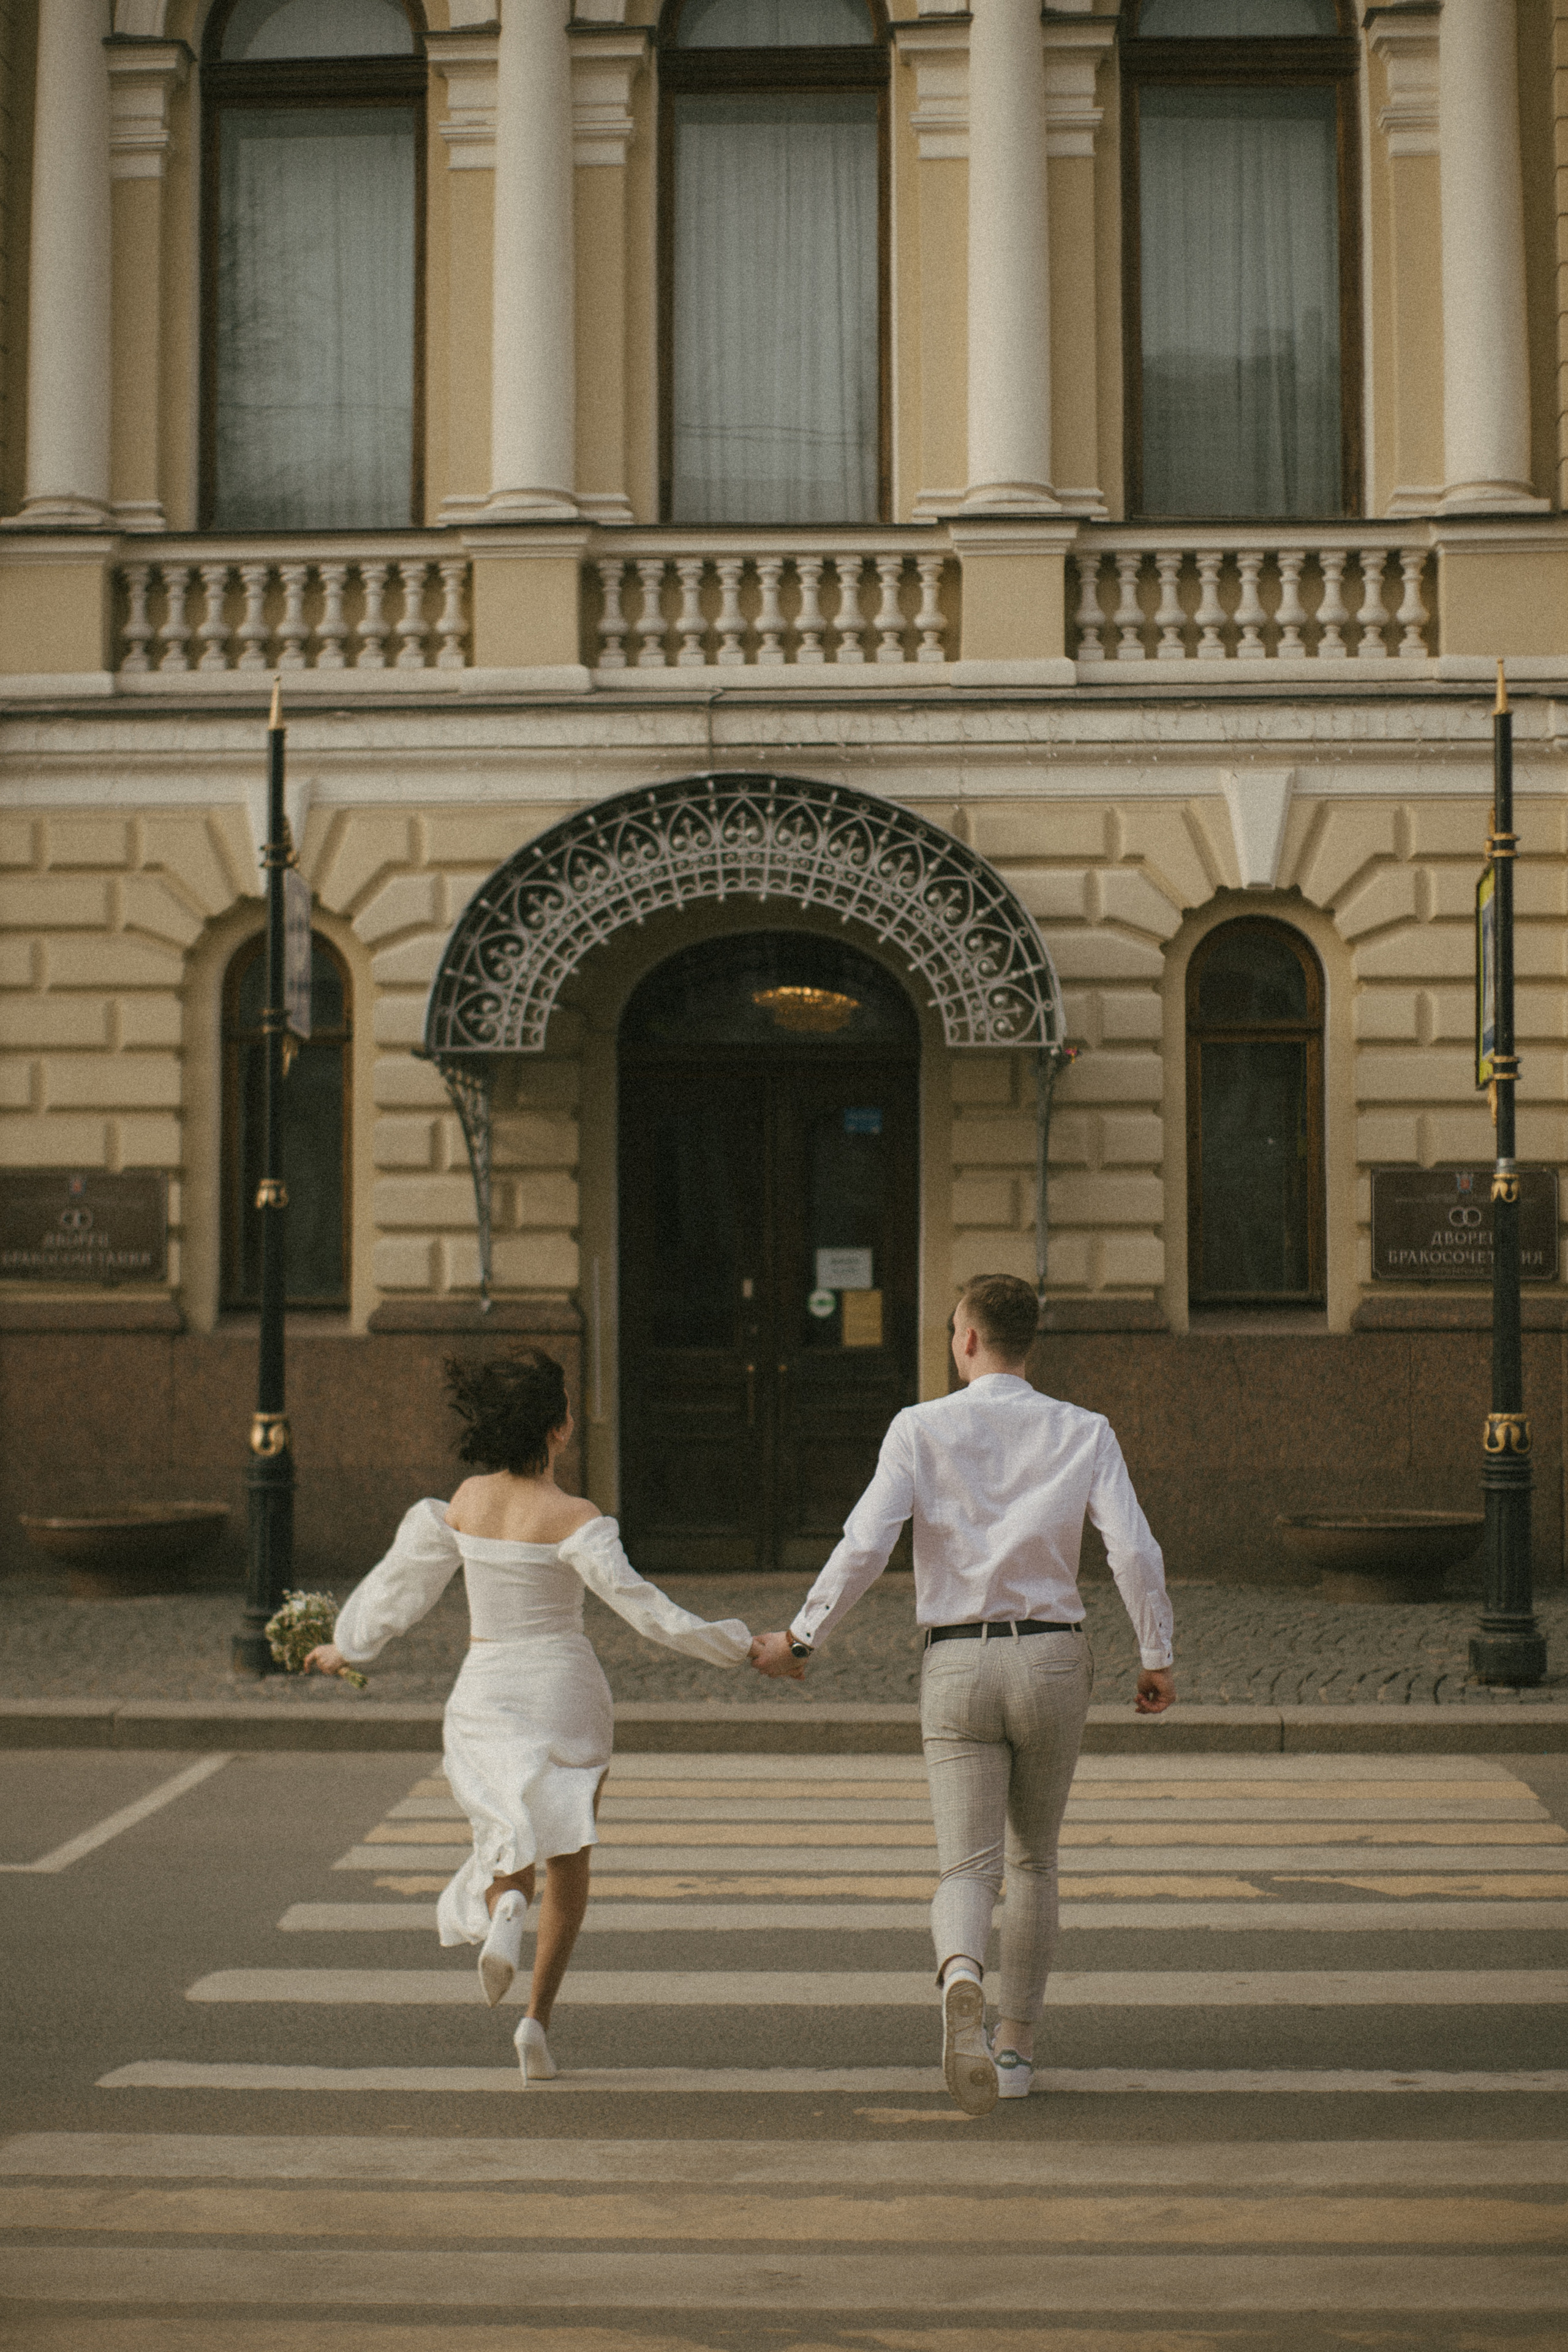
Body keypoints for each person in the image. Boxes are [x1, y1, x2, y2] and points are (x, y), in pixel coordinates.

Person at [750, 1273, 1174, 2116]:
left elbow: (866, 1542)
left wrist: (803, 1638)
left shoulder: (919, 1427)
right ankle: (1015, 2049)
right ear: (1030, 1343)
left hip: (955, 1660)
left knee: (966, 1864)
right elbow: (1133, 1550)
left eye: (953, 1331)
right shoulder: (1084, 1430)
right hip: (1054, 1657)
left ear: (970, 1340)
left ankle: (960, 1976)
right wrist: (1155, 1651)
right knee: (1036, 1859)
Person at [305, 1346, 756, 2084]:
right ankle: (535, 2025)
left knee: (502, 1830)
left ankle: (505, 1905)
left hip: (486, 1688)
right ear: (559, 1430)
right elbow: (647, 1612)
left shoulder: (465, 1502)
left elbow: (401, 1586)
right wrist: (739, 1647)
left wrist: (346, 1645)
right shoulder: (575, 1517)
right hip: (565, 1690)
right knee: (569, 1858)